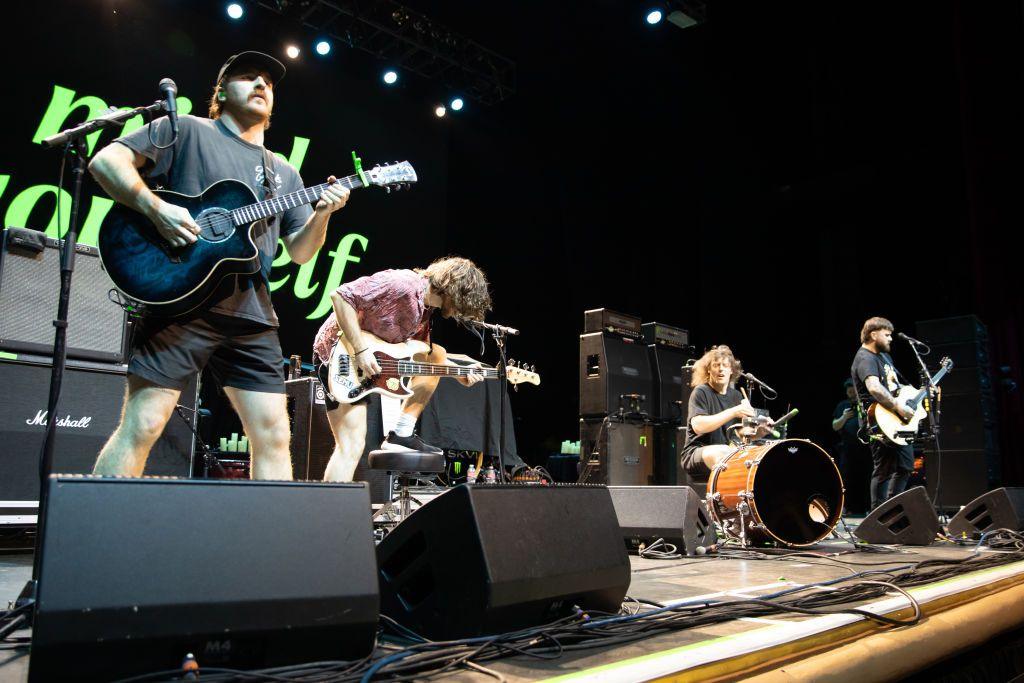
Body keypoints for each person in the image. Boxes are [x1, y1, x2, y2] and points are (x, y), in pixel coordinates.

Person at [90, 51, 350, 479]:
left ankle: (267, 544)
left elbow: (301, 252)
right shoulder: (187, 130)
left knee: (273, 436)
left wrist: (323, 214)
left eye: (268, 82)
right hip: (180, 301)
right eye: (249, 77)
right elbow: (106, 163)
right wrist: (155, 209)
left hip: (251, 313)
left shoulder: (283, 172)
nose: (262, 85)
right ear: (221, 91)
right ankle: (90, 535)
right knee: (144, 424)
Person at [311, 257, 492, 482]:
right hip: (339, 356)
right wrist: (360, 350)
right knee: (351, 445)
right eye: (461, 304)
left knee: (436, 354)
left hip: (370, 365)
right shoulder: (402, 284)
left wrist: (459, 373)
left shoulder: (425, 311)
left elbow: (420, 357)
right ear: (454, 289)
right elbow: (340, 297)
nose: (459, 312)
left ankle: (402, 433)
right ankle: (329, 514)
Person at [851, 316, 916, 510]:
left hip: (896, 421)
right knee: (884, 470)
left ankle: (893, 510)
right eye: (887, 335)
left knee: (905, 466)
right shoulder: (864, 357)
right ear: (873, 334)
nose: (891, 339)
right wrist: (898, 407)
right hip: (879, 421)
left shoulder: (885, 357)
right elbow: (875, 388)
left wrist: (919, 394)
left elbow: (895, 387)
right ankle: (879, 515)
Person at [681, 345, 772, 479]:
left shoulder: (736, 396)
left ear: (732, 371)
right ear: (709, 370)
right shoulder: (701, 392)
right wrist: (734, 411)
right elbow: (698, 427)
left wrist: (759, 432)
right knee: (725, 452)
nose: (721, 369)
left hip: (724, 451)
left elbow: (739, 434)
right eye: (716, 365)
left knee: (754, 454)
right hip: (696, 453)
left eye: (725, 365)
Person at [832, 377, 870, 513]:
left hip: (866, 449)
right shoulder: (843, 406)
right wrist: (844, 417)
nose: (850, 393)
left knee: (867, 478)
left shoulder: (866, 404)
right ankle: (845, 508)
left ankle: (869, 508)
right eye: (848, 391)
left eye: (853, 390)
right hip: (848, 450)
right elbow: (834, 426)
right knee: (846, 479)